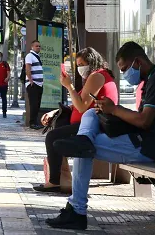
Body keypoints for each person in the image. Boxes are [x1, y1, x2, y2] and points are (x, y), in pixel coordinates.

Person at [46, 42, 155, 230]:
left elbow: (145, 121)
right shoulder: (153, 78)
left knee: (82, 149)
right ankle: (84, 140)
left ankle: (77, 211)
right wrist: (109, 110)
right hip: (139, 141)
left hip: (147, 147)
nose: (125, 74)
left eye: (125, 68)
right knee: (91, 115)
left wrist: (115, 109)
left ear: (138, 62)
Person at [33, 47, 118, 193]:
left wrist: (69, 86)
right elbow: (76, 104)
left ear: (91, 62)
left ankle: (54, 181)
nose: (80, 68)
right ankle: (60, 177)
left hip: (94, 125)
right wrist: (54, 111)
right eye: (77, 65)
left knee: (53, 137)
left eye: (81, 64)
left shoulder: (97, 76)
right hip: (86, 122)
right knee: (58, 125)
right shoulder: (94, 77)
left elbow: (82, 107)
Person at [25, 40, 44, 129]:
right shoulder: (30, 56)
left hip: (39, 84)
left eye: (39, 46)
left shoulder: (37, 56)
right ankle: (32, 123)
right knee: (33, 104)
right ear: (32, 47)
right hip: (34, 84)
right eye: (36, 46)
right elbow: (28, 68)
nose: (38, 47)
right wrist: (31, 81)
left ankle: (35, 122)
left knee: (37, 104)